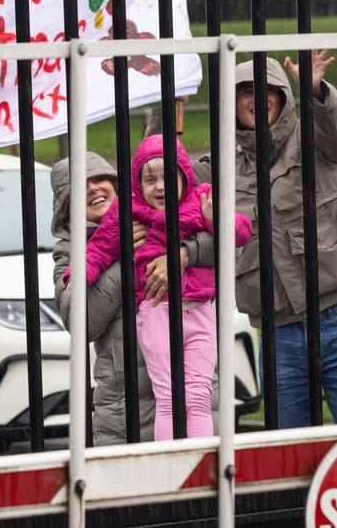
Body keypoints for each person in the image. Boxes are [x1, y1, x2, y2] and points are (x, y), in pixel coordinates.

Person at [200, 51, 337, 428]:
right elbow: (168, 188)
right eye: (244, 92)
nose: (255, 99)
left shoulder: (314, 139)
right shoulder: (223, 169)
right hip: (277, 333)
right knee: (289, 456)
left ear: (283, 95)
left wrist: (315, 89)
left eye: (265, 89)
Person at [65, 136, 252, 439]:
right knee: (169, 398)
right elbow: (98, 248)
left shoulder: (201, 200)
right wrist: (80, 275)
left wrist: (215, 221)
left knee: (199, 395)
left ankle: (198, 458)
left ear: (183, 176)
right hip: (156, 311)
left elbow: (241, 234)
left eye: (167, 176)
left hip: (200, 311)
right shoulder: (128, 212)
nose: (160, 186)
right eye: (150, 180)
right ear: (138, 185)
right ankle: (170, 462)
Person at [51, 153, 156, 444]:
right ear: (67, 209)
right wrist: (122, 258)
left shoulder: (151, 216)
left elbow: (216, 243)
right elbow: (81, 322)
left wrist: (188, 252)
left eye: (99, 179)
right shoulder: (68, 253)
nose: (93, 188)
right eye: (80, 187)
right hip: (124, 408)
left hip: (185, 388)